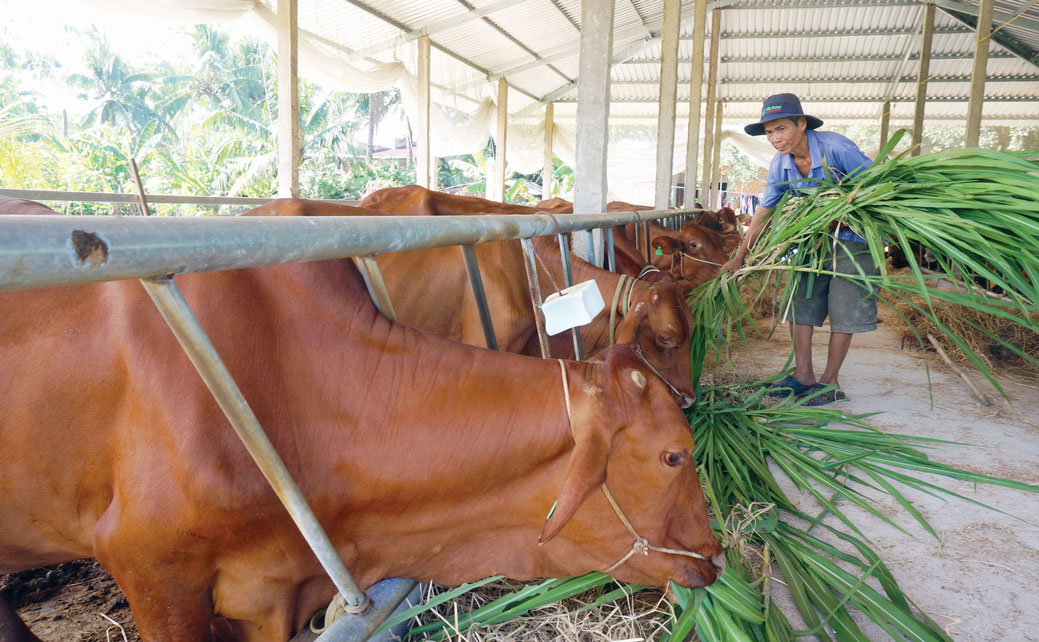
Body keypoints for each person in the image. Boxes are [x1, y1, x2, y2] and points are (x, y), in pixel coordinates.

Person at [721, 93, 877, 406]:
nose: (775, 139)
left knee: (843, 309)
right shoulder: (781, 164)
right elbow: (765, 211)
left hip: (854, 241)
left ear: (801, 123)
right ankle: (803, 374)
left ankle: (830, 382)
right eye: (769, 133)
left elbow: (877, 188)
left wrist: (845, 219)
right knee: (799, 302)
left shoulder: (837, 148)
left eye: (781, 129)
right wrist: (739, 256)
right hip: (813, 240)